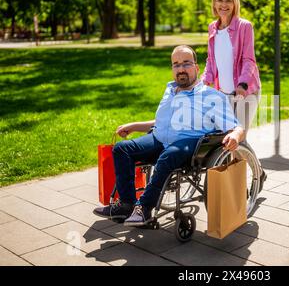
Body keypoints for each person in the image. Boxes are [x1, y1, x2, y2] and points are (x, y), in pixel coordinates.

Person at [93, 45, 244, 227]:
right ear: (172, 69)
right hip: (158, 139)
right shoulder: (170, 90)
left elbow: (236, 126)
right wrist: (134, 126)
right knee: (122, 149)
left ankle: (144, 208)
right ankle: (126, 205)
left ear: (196, 68)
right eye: (176, 64)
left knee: (169, 155)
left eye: (186, 64)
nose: (181, 69)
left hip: (188, 144)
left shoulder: (212, 97)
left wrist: (235, 135)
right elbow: (162, 123)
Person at [201, 0, 261, 137]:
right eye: (219, 0)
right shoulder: (212, 28)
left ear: (235, 3)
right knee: (225, 140)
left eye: (228, 0)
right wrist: (204, 81)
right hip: (224, 93)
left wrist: (242, 84)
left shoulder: (244, 26)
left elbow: (249, 60)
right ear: (214, 3)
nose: (224, 4)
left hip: (246, 91)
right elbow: (211, 60)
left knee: (238, 138)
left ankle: (251, 162)